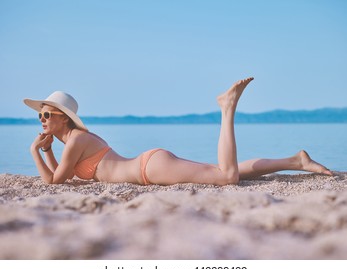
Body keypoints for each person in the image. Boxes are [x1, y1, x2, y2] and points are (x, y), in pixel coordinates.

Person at [23, 77, 333, 185]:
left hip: (149, 169)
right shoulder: (71, 143)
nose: (42, 119)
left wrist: (35, 151)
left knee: (227, 177)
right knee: (222, 170)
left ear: (64, 118)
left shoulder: (76, 139)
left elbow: (53, 181)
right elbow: (60, 175)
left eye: (47, 113)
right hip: (150, 165)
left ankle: (227, 109)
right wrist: (49, 150)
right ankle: (295, 162)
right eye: (41, 115)